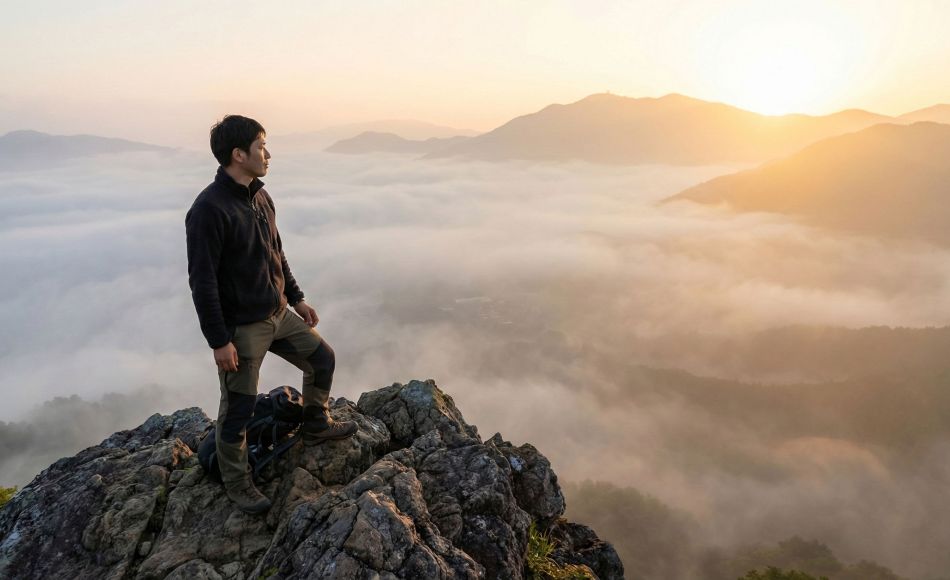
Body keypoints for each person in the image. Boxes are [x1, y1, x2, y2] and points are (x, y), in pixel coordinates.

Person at [185, 115, 358, 514]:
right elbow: (203, 282)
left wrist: (296, 298)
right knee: (238, 408)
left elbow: (276, 253)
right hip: (242, 329)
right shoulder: (208, 210)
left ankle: (315, 423)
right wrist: (218, 341)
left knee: (322, 358)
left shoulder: (260, 197)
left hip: (279, 313)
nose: (268, 154)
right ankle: (237, 482)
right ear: (238, 154)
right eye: (261, 146)